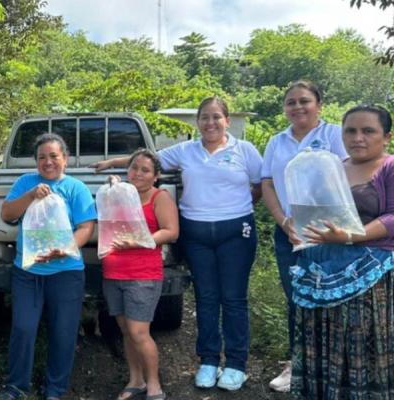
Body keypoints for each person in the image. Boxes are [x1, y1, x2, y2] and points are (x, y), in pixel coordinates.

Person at [94, 97, 263, 391]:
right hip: (196, 233)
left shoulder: (245, 150)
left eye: (216, 117)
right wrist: (112, 163)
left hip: (236, 231)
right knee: (206, 297)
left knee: (234, 298)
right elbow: (148, 159)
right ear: (197, 122)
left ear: (227, 120)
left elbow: (262, 184)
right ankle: (208, 361)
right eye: (204, 117)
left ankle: (236, 364)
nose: (210, 123)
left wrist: (241, 206)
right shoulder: (186, 150)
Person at [289, 105, 394, 399]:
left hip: (368, 275)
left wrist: (350, 236)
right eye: (350, 131)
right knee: (324, 339)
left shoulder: (389, 167)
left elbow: (392, 217)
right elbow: (314, 211)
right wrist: (297, 227)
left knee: (359, 341)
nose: (358, 138)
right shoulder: (334, 167)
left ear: (387, 137)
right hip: (323, 270)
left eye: (368, 131)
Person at [260, 80, 347, 393]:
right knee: (296, 297)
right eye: (291, 102)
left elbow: (351, 176)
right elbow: (267, 183)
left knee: (334, 295)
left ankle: (334, 365)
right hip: (290, 231)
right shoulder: (277, 141)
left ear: (319, 105)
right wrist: (283, 222)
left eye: (304, 100)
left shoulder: (334, 135)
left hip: (330, 231)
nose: (297, 107)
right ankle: (297, 364)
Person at [0, 132, 97, 400]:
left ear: (65, 159)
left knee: (63, 332)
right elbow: (7, 214)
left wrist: (63, 250)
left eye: (54, 156)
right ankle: (16, 386)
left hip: (66, 272)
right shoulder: (25, 182)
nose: (48, 161)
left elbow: (86, 227)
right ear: (36, 161)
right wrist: (31, 195)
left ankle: (55, 389)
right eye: (42, 157)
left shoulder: (76, 188)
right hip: (27, 272)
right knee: (23, 327)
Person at [102, 149, 179, 400]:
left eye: (145, 170)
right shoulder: (120, 195)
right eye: (134, 168)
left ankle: (154, 384)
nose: (138, 173)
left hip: (142, 275)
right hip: (113, 272)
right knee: (126, 331)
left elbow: (171, 232)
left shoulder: (159, 197)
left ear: (155, 176)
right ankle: (136, 380)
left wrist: (138, 241)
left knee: (139, 332)